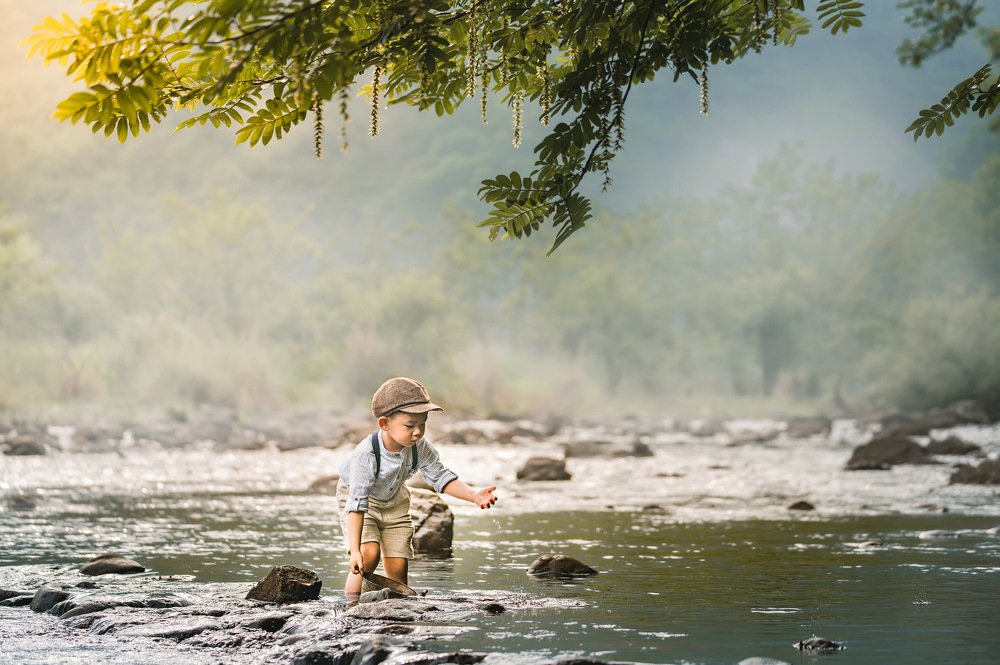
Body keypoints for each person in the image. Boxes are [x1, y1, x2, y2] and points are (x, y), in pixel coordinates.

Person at [336, 377, 498, 598]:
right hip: (361, 503)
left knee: (398, 570)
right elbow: (356, 504)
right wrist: (354, 551)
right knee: (368, 555)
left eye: (422, 424)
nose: (418, 432)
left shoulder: (418, 446)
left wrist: (474, 495)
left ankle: (395, 610)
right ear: (385, 424)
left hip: (394, 502)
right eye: (409, 425)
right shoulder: (367, 454)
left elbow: (440, 476)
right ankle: (351, 606)